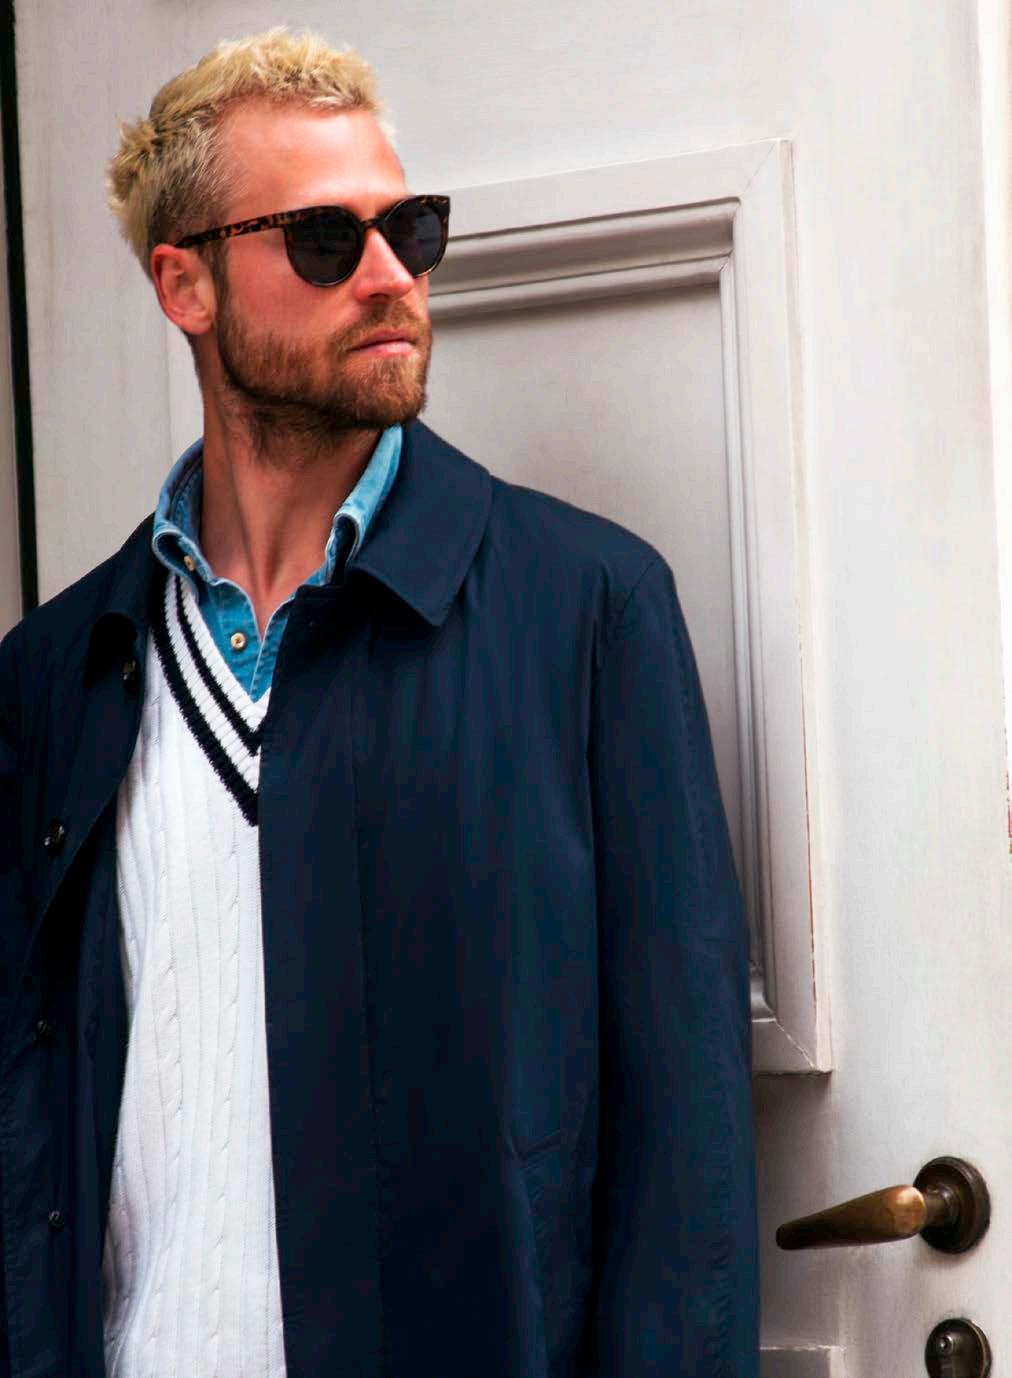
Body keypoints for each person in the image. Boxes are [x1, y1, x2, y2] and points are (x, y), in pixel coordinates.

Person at [0, 28, 757, 1378]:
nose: (394, 276)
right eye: (324, 240)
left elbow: (684, 1174)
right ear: (185, 283)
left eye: (410, 228)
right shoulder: (57, 672)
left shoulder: (587, 612)